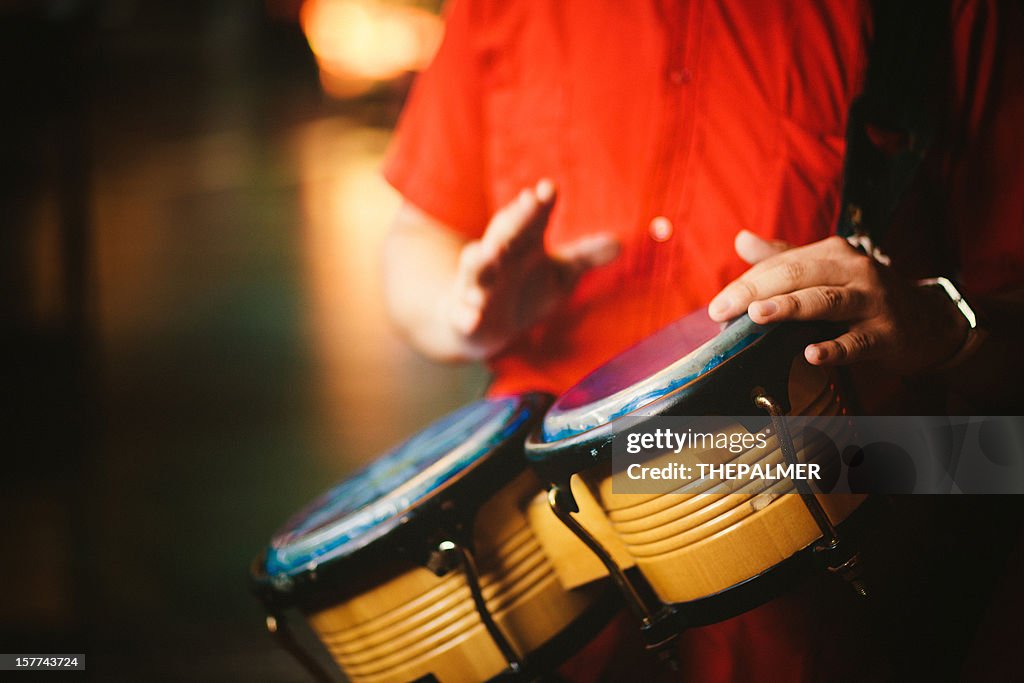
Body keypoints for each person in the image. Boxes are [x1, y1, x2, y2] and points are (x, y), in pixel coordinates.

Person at [380, 0, 1024, 679]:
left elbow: (1003, 430)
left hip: (832, 585)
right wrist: (463, 311)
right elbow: (418, 236)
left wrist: (942, 327)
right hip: (550, 580)